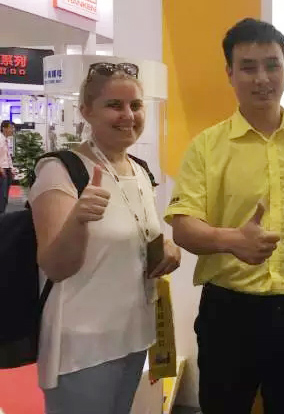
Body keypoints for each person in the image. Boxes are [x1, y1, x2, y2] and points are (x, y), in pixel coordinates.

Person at [165, 18, 284, 414]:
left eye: (272, 65)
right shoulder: (207, 146)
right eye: (248, 67)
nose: (262, 78)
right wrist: (232, 241)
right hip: (229, 314)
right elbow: (183, 226)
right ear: (230, 73)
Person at [29, 62, 181, 414]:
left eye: (136, 105)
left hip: (134, 336)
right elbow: (55, 266)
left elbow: (139, 237)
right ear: (86, 111)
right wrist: (78, 219)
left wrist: (168, 248)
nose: (128, 115)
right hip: (82, 348)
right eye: (114, 105)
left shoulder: (140, 170)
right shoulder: (61, 170)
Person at [0, 120, 15, 213]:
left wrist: (12, 169)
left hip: (7, 169)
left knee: (5, 194)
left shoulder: (6, 140)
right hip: (1, 169)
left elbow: (8, 156)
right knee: (2, 194)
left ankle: (3, 213)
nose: (12, 130)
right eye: (11, 128)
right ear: (4, 128)